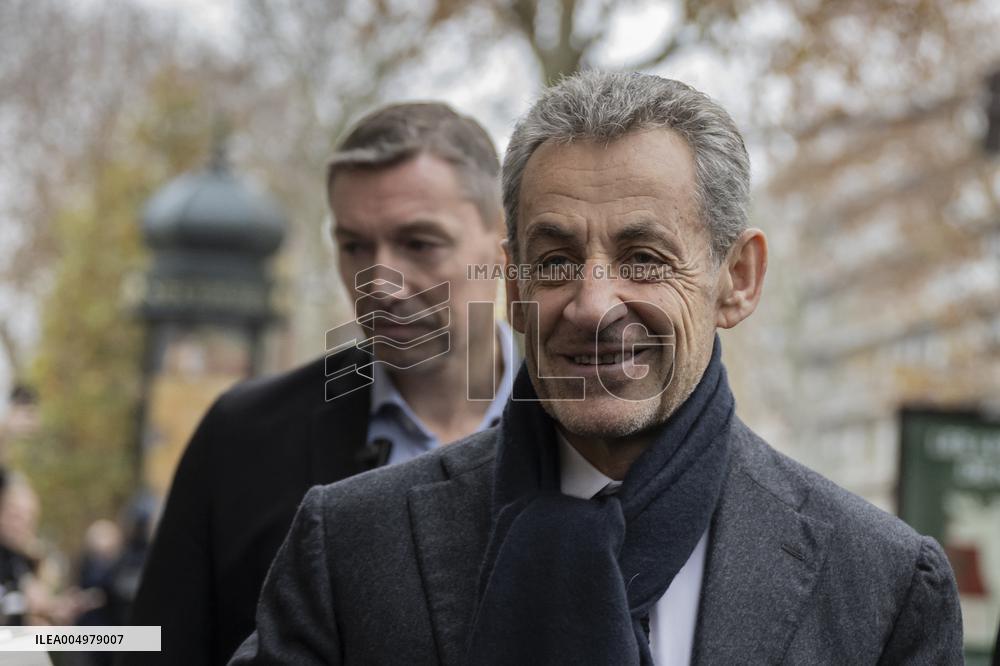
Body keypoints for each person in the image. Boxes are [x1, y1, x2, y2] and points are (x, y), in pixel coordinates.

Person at [230, 71, 963, 665]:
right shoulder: (350, 545)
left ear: (737, 279)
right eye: (555, 261)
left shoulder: (885, 588)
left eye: (644, 258)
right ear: (514, 289)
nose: (591, 303)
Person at [127, 102, 513, 665]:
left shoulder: (585, 428)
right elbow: (153, 642)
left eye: (419, 243)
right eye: (354, 245)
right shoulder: (245, 435)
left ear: (504, 246)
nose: (379, 280)